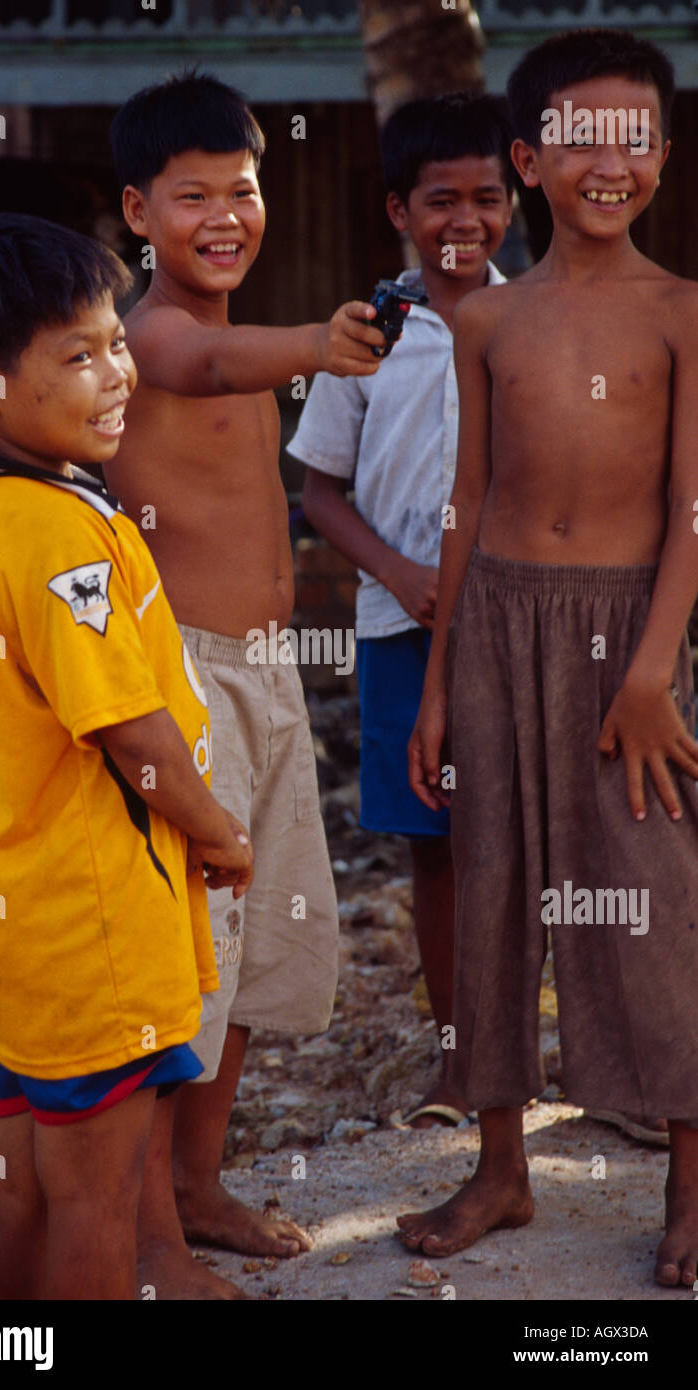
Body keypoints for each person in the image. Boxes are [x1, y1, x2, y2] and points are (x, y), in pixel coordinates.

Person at [0, 210, 253, 1301]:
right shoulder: (60, 534)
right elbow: (127, 733)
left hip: (12, 917)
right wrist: (217, 827)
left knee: (19, 1181)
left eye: (115, 342)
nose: (116, 374)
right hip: (86, 922)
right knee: (96, 1201)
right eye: (78, 355)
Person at [401, 28, 698, 1289]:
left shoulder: (684, 311)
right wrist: (435, 683)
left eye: (632, 137)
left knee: (658, 896)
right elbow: (468, 501)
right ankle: (500, 1164)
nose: (606, 161)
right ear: (528, 159)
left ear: (663, 160)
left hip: (627, 629)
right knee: (493, 891)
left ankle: (689, 1180)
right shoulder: (487, 319)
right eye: (578, 136)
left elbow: (693, 508)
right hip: (496, 626)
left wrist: (650, 668)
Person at [107, 71, 386, 1258]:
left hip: (267, 678)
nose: (225, 215)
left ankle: (197, 1185)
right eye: (192, 196)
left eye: (244, 189)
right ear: (137, 212)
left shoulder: (229, 331)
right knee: (180, 959)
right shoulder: (152, 333)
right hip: (186, 684)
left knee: (250, 954)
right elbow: (198, 368)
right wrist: (314, 344)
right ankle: (131, 1212)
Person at [290, 94, 513, 1130]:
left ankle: (531, 1054)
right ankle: (459, 1057)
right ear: (398, 210)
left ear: (515, 200)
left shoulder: (532, 324)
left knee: (516, 842)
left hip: (514, 625)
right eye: (440, 201)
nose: (463, 220)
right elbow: (317, 490)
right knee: (433, 843)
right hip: (394, 625)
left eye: (485, 198)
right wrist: (396, 569)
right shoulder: (368, 332)